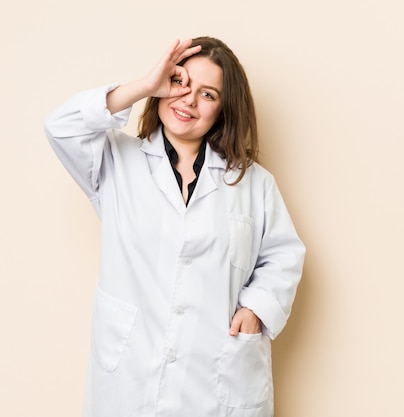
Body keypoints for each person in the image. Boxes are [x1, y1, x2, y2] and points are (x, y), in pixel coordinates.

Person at [44, 36, 305, 417]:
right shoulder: (117, 161)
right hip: (132, 371)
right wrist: (145, 84)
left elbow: (284, 254)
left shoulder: (252, 182)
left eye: (208, 94)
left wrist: (256, 308)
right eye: (180, 82)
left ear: (222, 110)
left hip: (215, 376)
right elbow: (59, 126)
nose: (189, 100)